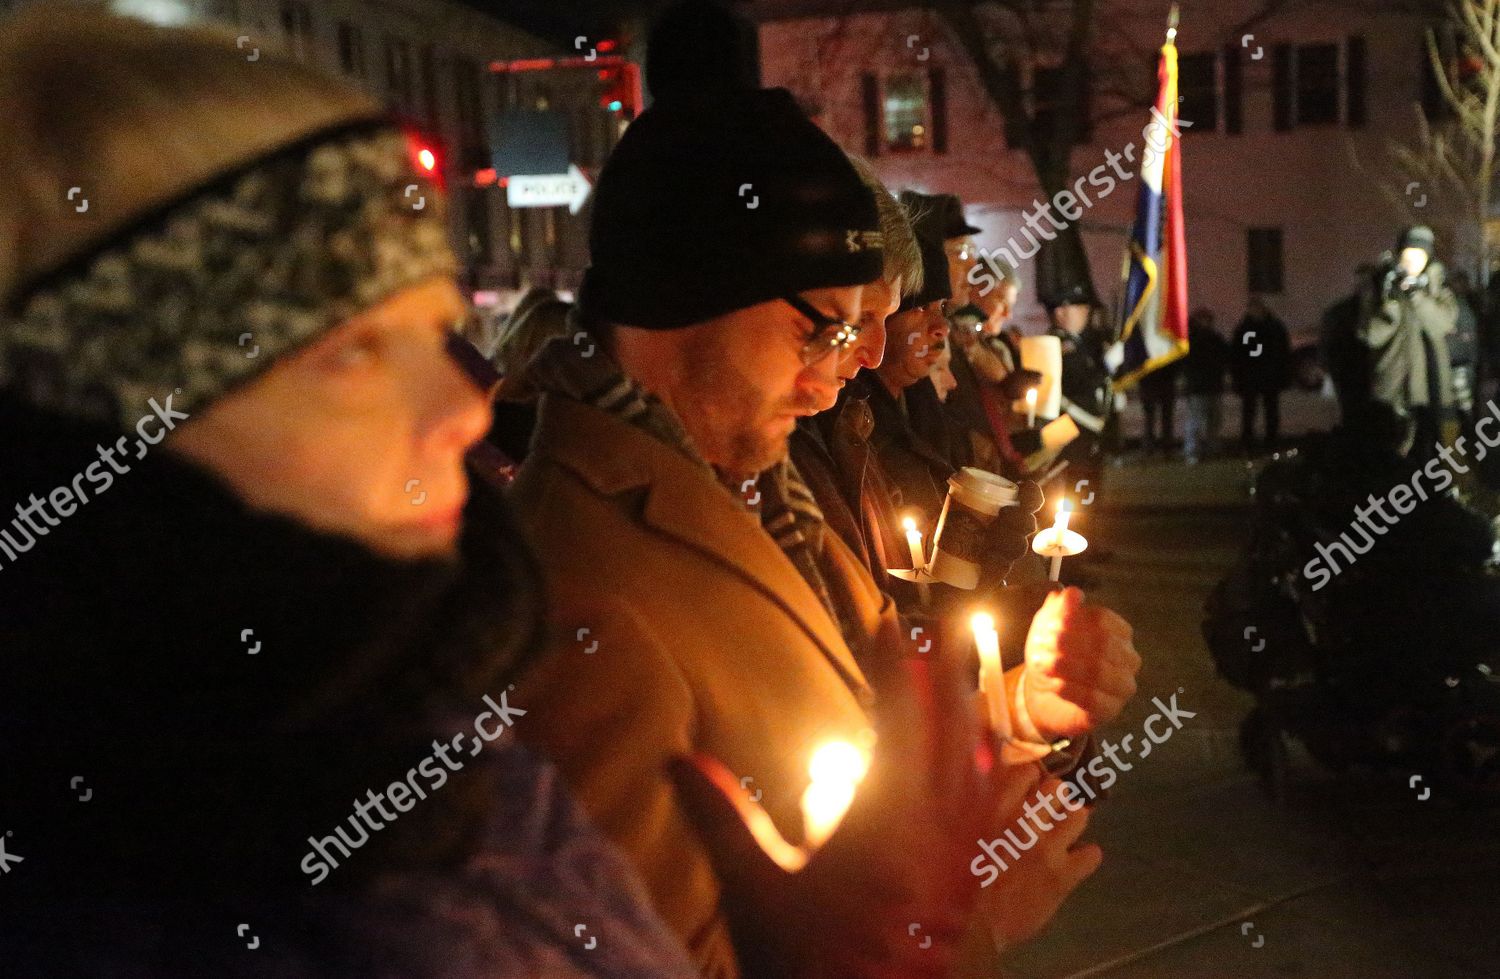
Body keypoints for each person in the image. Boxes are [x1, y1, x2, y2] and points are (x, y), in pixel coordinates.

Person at [0, 8, 698, 976]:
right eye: (352, 353)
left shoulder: (428, 733)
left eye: (436, 331)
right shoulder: (103, 914)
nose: (462, 407)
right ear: (94, 431)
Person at [507, 4, 1139, 975]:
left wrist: (1012, 712)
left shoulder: (762, 488)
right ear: (689, 300)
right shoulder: (581, 593)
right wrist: (957, 920)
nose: (855, 364)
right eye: (826, 327)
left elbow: (847, 745)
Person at [1357, 225, 1459, 463]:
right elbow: (1370, 334)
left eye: (1420, 256)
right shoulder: (1380, 286)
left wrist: (1417, 297)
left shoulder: (1438, 289)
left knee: (1429, 455)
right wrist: (1390, 304)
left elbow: (1442, 324)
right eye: (1408, 255)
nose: (1413, 262)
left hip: (1429, 391)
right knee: (1389, 455)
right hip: (1392, 387)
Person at [1230, 296, 1292, 454]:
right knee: (1250, 411)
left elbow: (1283, 353)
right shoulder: (1246, 329)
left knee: (1269, 409)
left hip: (1268, 375)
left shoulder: (1272, 327)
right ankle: (1249, 442)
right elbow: (1237, 355)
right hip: (1252, 376)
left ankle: (1270, 440)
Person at [1181, 308, 1230, 464]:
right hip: (1199, 386)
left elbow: (1225, 357)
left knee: (1213, 421)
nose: (1207, 323)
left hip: (1212, 385)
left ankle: (1210, 448)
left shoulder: (1214, 338)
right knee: (1196, 421)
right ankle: (1192, 451)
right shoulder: (1192, 340)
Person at [1137, 354, 1179, 457]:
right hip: (1165, 383)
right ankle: (1166, 449)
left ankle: (1150, 449)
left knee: (1150, 420)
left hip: (1149, 385)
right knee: (1166, 419)